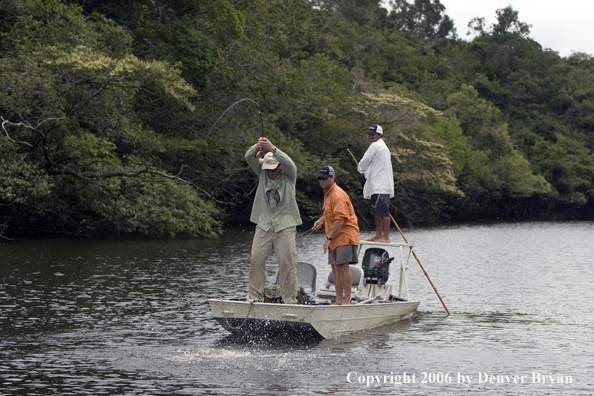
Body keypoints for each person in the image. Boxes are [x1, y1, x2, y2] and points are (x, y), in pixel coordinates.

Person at [244, 137, 301, 304]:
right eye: (268, 169)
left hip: (285, 225)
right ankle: (254, 297)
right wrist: (258, 146)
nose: (270, 172)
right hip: (264, 224)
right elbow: (248, 157)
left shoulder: (289, 175)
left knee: (286, 262)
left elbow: (290, 163)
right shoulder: (262, 173)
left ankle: (290, 299)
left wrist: (273, 149)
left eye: (273, 169)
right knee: (256, 259)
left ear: (280, 166)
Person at [312, 166, 359, 305]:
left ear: (332, 178)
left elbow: (341, 219)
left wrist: (328, 238)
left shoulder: (337, 194)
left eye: (325, 178)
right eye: (320, 178)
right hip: (334, 237)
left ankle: (347, 300)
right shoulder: (328, 193)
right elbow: (329, 214)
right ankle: (338, 300)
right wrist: (320, 221)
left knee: (343, 267)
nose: (322, 181)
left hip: (345, 236)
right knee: (335, 268)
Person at [357, 124, 394, 243]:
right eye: (369, 134)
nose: (370, 136)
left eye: (373, 134)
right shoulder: (383, 147)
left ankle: (386, 236)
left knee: (383, 211)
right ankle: (378, 235)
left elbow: (365, 160)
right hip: (378, 185)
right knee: (376, 211)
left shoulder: (376, 145)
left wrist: (360, 168)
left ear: (379, 135)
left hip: (381, 185)